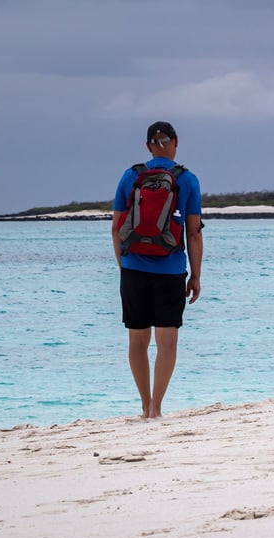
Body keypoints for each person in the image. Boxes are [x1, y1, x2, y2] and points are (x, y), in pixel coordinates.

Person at [111, 121, 203, 419]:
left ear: (148, 146)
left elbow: (116, 229)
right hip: (171, 269)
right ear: (176, 142)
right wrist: (196, 275)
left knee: (137, 341)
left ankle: (143, 404)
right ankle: (156, 409)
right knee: (167, 342)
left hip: (133, 268)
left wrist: (124, 267)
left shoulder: (131, 176)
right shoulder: (187, 179)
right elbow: (193, 233)